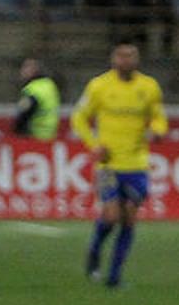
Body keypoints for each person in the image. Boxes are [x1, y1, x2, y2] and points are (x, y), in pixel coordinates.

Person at [71, 43, 167, 288]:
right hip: (108, 164)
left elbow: (158, 117)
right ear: (113, 59)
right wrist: (93, 144)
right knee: (112, 215)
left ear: (137, 59)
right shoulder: (99, 86)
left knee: (129, 220)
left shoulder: (149, 87)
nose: (126, 60)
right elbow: (79, 117)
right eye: (122, 56)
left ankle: (114, 276)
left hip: (137, 164)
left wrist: (157, 131)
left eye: (131, 56)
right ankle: (94, 250)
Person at [14, 59, 61, 142]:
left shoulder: (33, 89)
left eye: (25, 68)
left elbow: (25, 113)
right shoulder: (49, 84)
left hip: (34, 136)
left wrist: (18, 131)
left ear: (33, 71)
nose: (21, 72)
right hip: (50, 134)